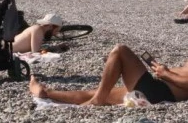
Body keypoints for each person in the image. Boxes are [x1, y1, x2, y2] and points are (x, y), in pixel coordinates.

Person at [29, 44, 188, 105]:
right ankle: (47, 93)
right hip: (158, 89)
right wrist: (164, 71)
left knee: (120, 51)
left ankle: (97, 101)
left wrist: (166, 74)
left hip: (160, 92)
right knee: (97, 92)